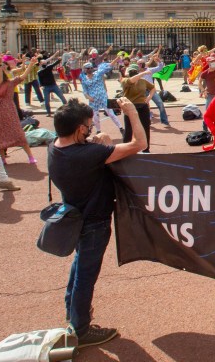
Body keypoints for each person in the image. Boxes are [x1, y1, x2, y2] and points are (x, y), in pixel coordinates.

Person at [50, 97, 146, 348]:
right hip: (94, 222)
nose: (90, 129)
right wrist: (132, 113)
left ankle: (73, 315)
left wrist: (96, 141)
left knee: (78, 269)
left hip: (75, 216)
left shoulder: (55, 146)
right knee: (85, 275)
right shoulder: (89, 154)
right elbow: (140, 143)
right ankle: (80, 330)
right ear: (80, 129)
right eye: (88, 127)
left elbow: (81, 150)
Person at [0, 55, 37, 166]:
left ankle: (30, 157)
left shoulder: (10, 83)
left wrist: (30, 64)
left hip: (8, 111)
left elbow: (23, 76)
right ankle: (2, 159)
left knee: (18, 134)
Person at [80, 59, 124, 134]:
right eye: (88, 68)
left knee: (111, 113)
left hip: (103, 97)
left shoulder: (98, 74)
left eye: (91, 68)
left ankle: (121, 128)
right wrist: (88, 97)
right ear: (85, 70)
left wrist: (116, 59)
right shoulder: (84, 80)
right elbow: (85, 91)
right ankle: (98, 131)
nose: (90, 69)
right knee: (95, 116)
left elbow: (108, 66)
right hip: (93, 100)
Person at [119, 65, 155, 152]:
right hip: (129, 106)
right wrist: (144, 73)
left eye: (135, 72)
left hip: (142, 106)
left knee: (145, 127)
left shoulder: (143, 81)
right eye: (131, 72)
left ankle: (146, 149)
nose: (133, 74)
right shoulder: (125, 81)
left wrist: (149, 97)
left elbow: (153, 88)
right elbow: (131, 80)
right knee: (129, 129)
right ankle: (125, 150)